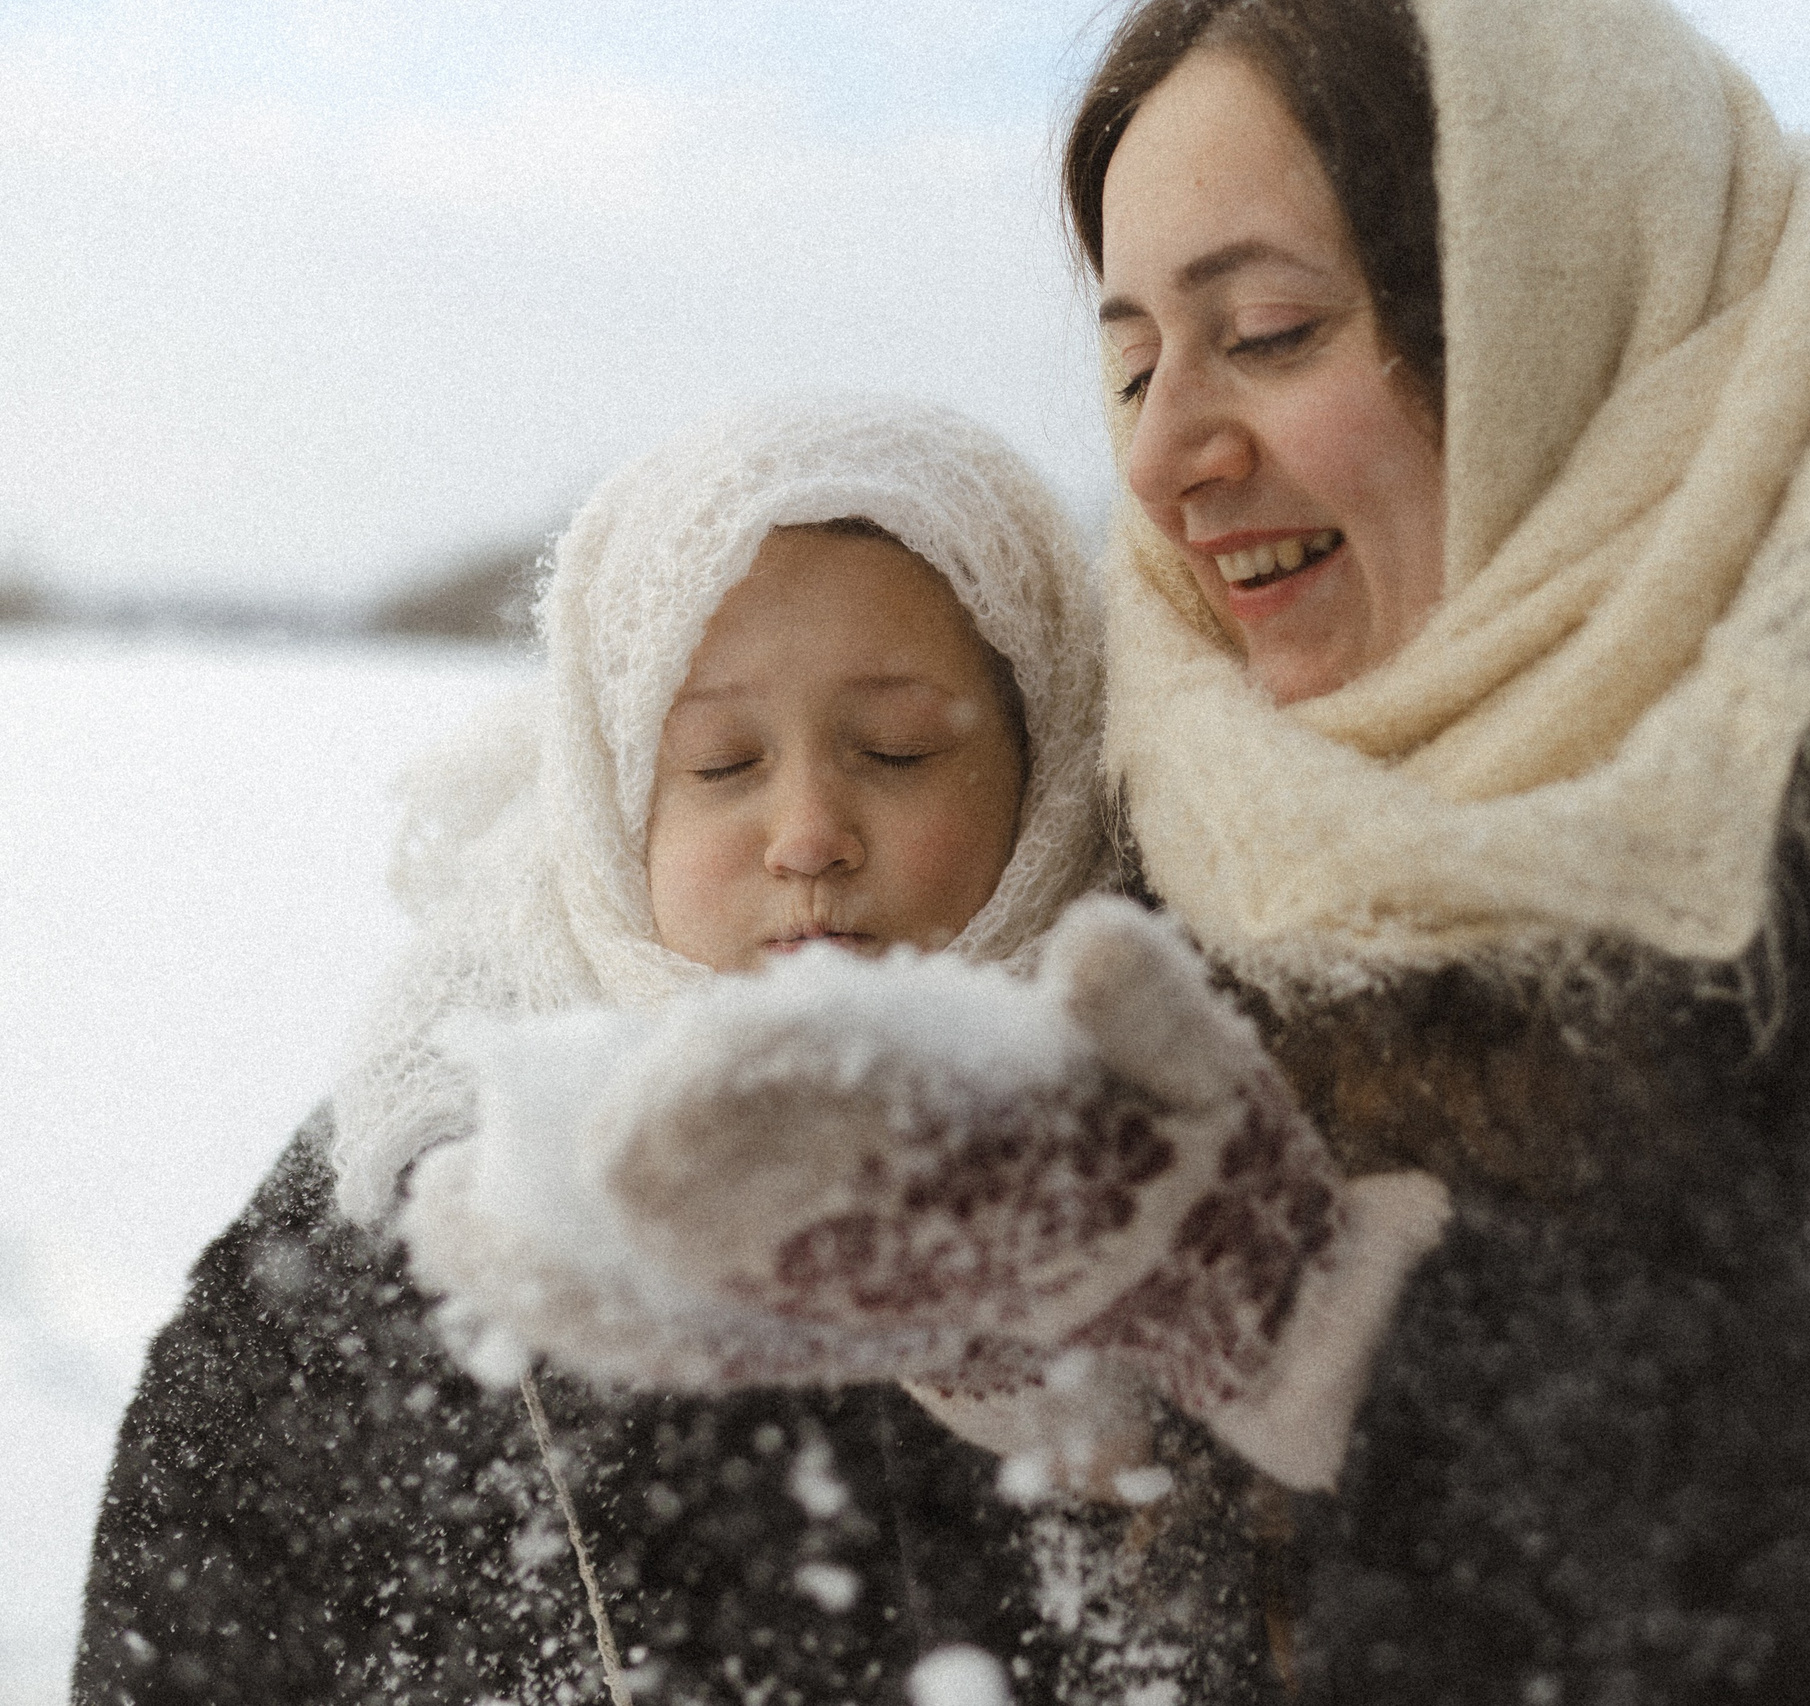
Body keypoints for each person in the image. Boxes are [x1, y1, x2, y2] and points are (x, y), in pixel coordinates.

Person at [453, 0, 1810, 1700]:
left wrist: (1300, 1317)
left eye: (1269, 329)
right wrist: (1052, 1348)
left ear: (1542, 285)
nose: (1174, 450)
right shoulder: (1304, 778)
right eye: (1128, 356)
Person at [75, 396, 1132, 1705]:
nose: (807, 831)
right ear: (611, 792)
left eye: (896, 749)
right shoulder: (415, 1198)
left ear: (1045, 764)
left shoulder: (1192, 1181)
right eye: (723, 759)